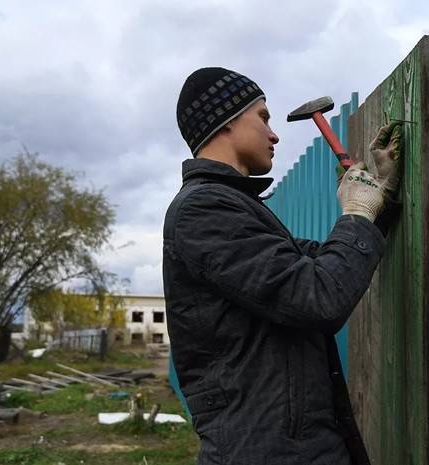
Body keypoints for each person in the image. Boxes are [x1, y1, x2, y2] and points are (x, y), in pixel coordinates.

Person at [163, 67, 401, 465]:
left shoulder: (236, 209)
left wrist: (378, 201)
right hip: (265, 450)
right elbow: (319, 296)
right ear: (224, 122)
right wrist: (358, 210)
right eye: (263, 118)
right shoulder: (203, 210)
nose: (274, 134)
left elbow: (328, 260)